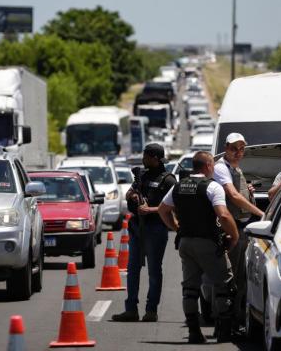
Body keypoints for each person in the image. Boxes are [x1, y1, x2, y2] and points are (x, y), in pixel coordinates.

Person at [158, 151, 239, 343]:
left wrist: (176, 227)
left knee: (190, 288)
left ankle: (194, 332)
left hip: (186, 243)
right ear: (209, 166)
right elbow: (224, 215)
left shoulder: (178, 187)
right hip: (208, 242)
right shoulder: (212, 187)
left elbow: (163, 210)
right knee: (224, 285)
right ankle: (224, 332)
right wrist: (234, 236)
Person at [112, 143, 176, 323]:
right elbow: (129, 193)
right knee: (132, 270)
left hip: (156, 229)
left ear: (155, 158)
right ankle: (131, 309)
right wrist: (132, 195)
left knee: (154, 271)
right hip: (136, 228)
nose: (143, 159)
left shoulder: (168, 180)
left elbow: (173, 207)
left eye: (146, 156)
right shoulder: (142, 176)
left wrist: (151, 210)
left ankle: (151, 310)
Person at [213, 132, 264, 332]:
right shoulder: (221, 168)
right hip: (231, 227)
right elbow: (233, 196)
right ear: (226, 148)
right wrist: (262, 213)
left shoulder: (234, 169)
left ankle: (235, 321)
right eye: (234, 148)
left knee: (240, 278)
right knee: (232, 279)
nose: (238, 152)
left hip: (241, 227)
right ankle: (228, 324)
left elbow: (238, 192)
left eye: (242, 148)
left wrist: (247, 190)